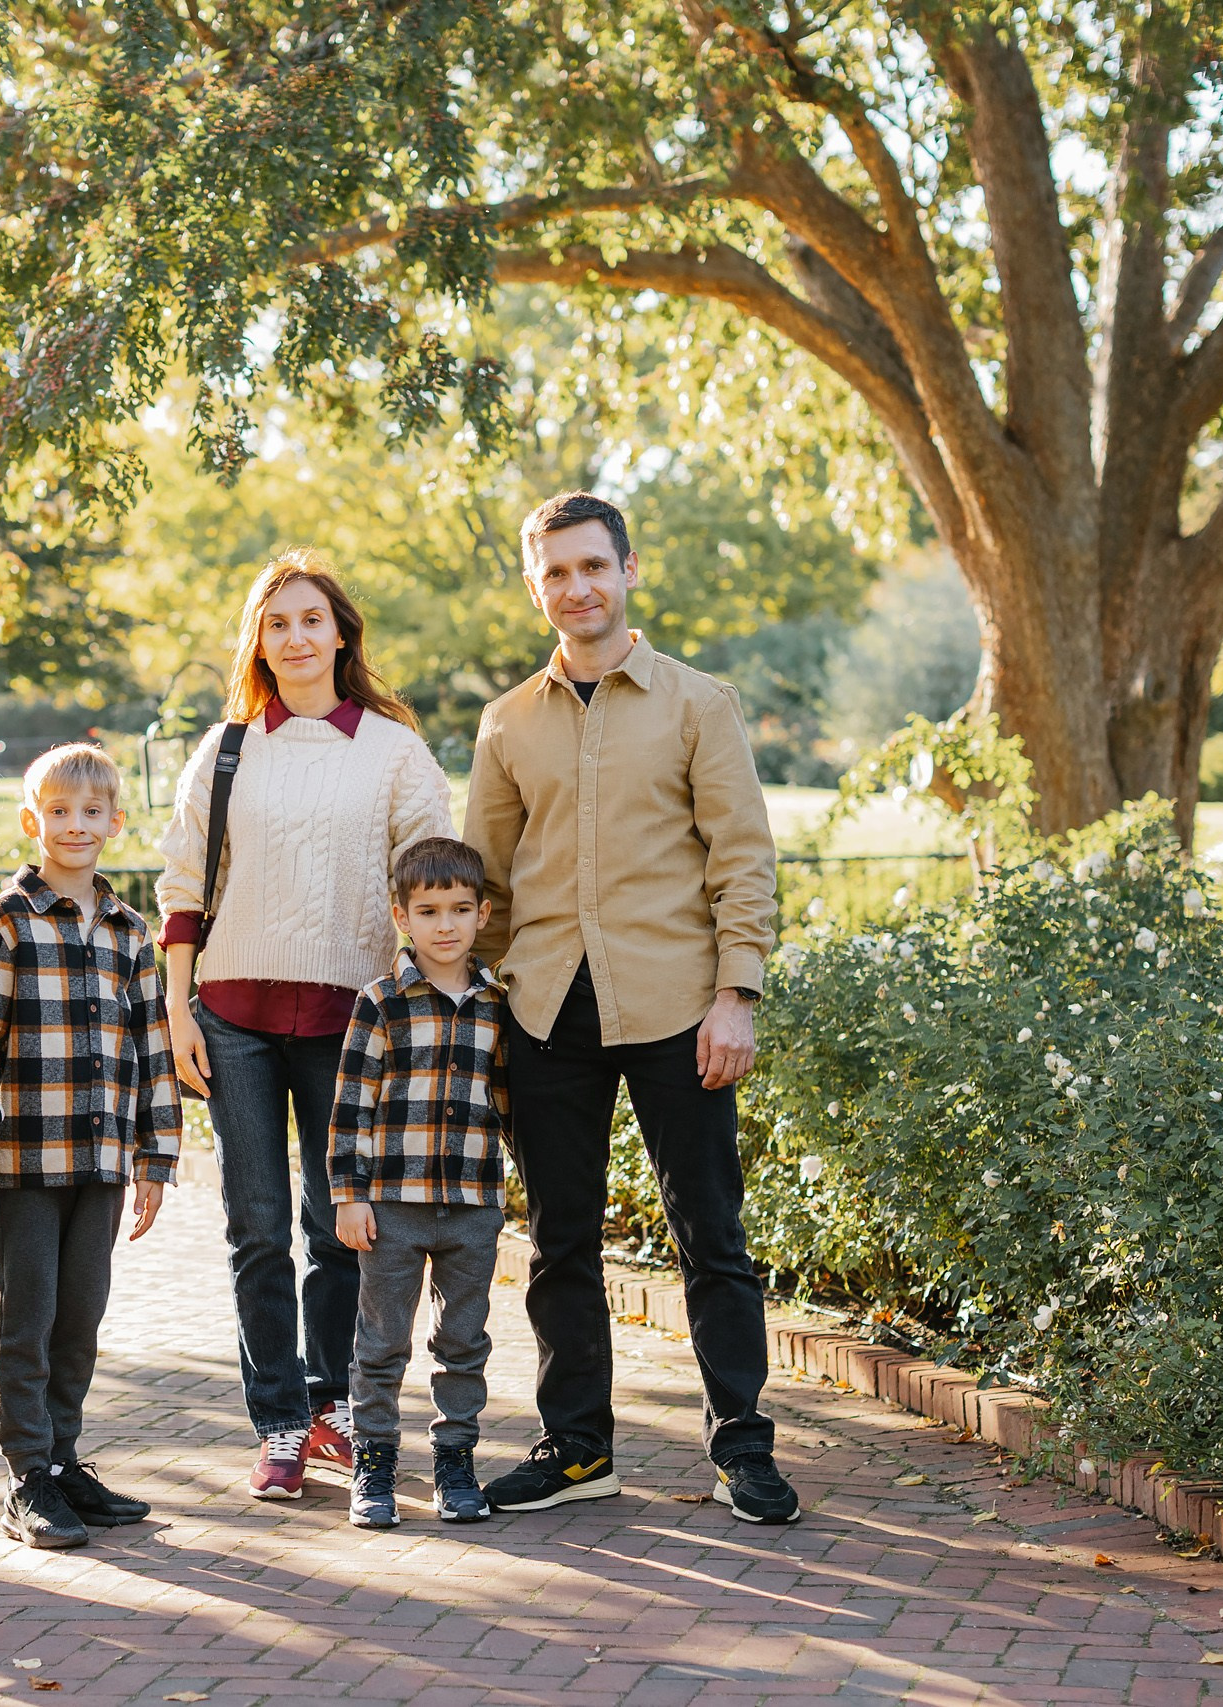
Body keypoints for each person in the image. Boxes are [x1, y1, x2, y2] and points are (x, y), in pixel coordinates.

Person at [464, 490, 800, 1525]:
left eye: (591, 566)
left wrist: (735, 993)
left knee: (711, 1234)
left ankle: (740, 1447)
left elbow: (741, 859)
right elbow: (484, 881)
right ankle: (576, 1450)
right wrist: (480, 1005)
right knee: (560, 1240)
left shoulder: (700, 704)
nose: (576, 588)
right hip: (545, 1008)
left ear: (628, 570)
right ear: (536, 588)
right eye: (556, 573)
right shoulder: (506, 722)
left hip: (676, 1008)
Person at [156, 549, 453, 1499]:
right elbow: (180, 890)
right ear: (259, 640)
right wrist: (176, 1010)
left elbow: (432, 879)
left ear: (340, 633)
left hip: (347, 1021)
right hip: (233, 1014)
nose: (294, 637)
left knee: (337, 1227)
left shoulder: (395, 749)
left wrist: (413, 1001)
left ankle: (334, 1408)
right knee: (255, 1227)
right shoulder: (228, 747)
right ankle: (278, 1423)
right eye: (276, 622)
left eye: (311, 619)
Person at [0, 742, 180, 1550]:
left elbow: (153, 1044)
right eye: (58, 811)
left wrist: (155, 1156)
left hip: (100, 1160)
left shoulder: (132, 931)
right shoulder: (5, 924)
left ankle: (63, 1460)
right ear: (31, 821)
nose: (75, 825)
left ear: (115, 823)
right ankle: (26, 1473)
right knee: (27, 1316)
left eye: (91, 811)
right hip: (26, 1159)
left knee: (81, 1315)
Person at [328, 837, 508, 1530]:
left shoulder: (497, 1005)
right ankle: (372, 1464)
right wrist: (349, 1194)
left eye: (460, 909)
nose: (445, 925)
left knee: (463, 1341)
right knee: (382, 1342)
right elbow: (350, 1110)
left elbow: (507, 1103)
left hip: (470, 1207)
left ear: (483, 913)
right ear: (402, 916)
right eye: (428, 910)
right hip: (391, 1210)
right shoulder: (380, 1003)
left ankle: (455, 1460)